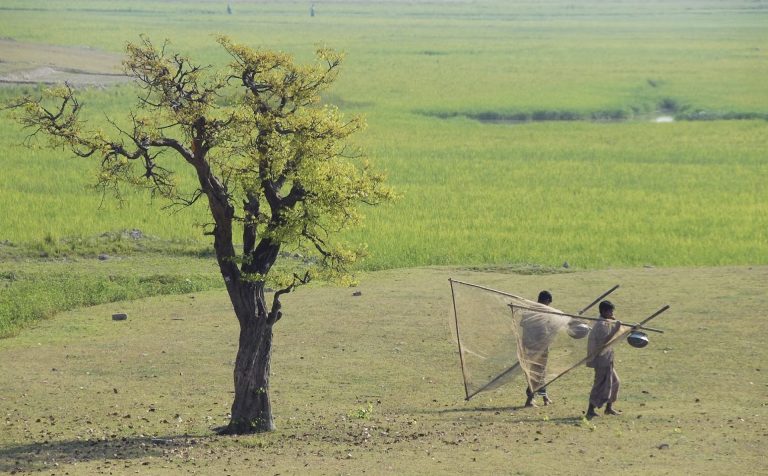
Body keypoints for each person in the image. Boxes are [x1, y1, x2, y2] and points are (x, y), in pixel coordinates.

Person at [585, 300, 624, 418]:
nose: (611, 313)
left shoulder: (605, 322)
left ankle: (609, 408)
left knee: (615, 382)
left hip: (607, 359)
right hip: (601, 360)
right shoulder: (601, 325)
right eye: (610, 311)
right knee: (599, 385)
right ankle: (590, 410)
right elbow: (604, 342)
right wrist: (615, 329)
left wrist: (611, 321)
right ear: (603, 311)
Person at [523, 290, 554, 407]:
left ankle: (545, 397)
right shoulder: (537, 312)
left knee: (541, 372)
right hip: (536, 347)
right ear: (546, 301)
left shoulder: (531, 310)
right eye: (548, 303)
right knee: (537, 373)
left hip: (539, 346)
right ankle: (530, 399)